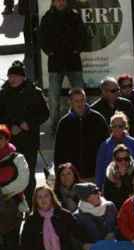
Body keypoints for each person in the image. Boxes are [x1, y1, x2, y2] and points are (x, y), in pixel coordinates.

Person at [0, 60, 49, 200]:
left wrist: (29, 123)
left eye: (15, 76)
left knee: (28, 172)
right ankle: (13, 204)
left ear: (23, 77)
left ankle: (29, 203)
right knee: (9, 173)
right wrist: (9, 128)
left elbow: (44, 113)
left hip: (29, 141)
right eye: (10, 76)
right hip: (8, 143)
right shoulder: (3, 94)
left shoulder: (34, 92)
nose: (12, 79)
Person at [38, 0, 87, 132]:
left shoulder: (74, 16)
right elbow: (41, 38)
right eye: (57, 0)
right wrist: (50, 51)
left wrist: (77, 49)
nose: (60, 3)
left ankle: (83, 121)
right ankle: (55, 125)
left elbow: (83, 35)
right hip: (55, 63)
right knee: (53, 97)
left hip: (73, 61)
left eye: (62, 0)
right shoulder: (47, 18)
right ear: (53, 2)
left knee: (80, 94)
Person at [54, 88, 109, 180]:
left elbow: (106, 145)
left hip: (95, 173)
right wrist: (58, 174)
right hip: (72, 177)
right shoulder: (64, 123)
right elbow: (58, 152)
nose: (80, 104)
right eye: (76, 101)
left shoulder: (98, 119)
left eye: (82, 100)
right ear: (70, 102)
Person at [0, 125, 29, 250]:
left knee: (11, 246)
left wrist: (3, 192)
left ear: (6, 139)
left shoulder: (17, 158)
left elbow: (22, 181)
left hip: (12, 208)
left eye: (1, 138)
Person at [95, 113, 134, 189]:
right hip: (111, 184)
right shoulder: (104, 145)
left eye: (120, 126)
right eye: (114, 126)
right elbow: (100, 168)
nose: (117, 129)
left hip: (132, 184)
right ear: (110, 127)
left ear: (125, 127)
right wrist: (99, 187)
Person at [103, 144, 134, 210]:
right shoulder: (110, 173)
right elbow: (107, 196)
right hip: (117, 209)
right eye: (119, 159)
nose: (123, 162)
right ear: (114, 160)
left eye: (126, 159)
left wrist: (124, 177)